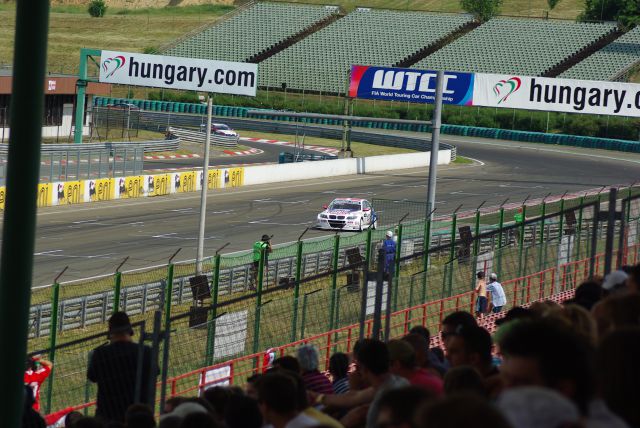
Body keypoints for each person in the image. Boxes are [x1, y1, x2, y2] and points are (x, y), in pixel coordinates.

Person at [87, 312, 154, 425]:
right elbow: (154, 372)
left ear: (111, 331)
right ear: (130, 330)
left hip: (108, 412)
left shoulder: (101, 353)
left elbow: (92, 376)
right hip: (137, 413)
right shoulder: (144, 351)